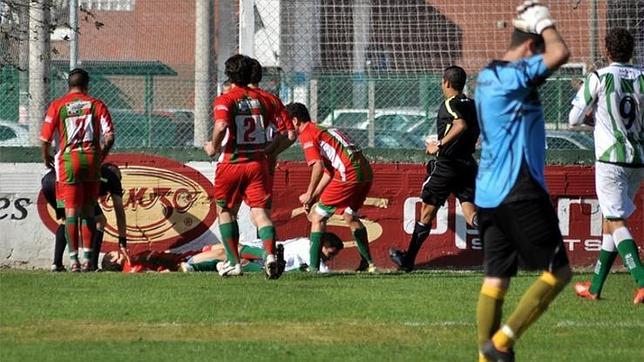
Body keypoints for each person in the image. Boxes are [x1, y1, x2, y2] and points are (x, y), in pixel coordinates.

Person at [474, 1, 572, 361]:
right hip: (519, 188)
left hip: (488, 194)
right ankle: (501, 343)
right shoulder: (513, 77)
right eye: (538, 51)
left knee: (496, 279)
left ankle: (484, 358)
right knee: (558, 272)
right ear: (531, 47)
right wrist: (545, 22)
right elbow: (561, 51)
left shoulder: (487, 75)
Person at [568, 28, 644, 304]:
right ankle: (595, 287)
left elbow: (574, 118)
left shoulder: (599, 76)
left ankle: (642, 280)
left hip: (610, 159)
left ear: (607, 51)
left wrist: (594, 118)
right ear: (631, 51)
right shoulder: (642, 77)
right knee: (611, 222)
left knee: (614, 220)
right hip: (637, 158)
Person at [388, 65, 479, 272]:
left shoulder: (449, 104)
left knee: (427, 211)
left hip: (447, 165)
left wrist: (438, 144)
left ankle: (408, 260)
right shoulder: (472, 104)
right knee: (471, 214)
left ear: (446, 83)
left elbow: (460, 125)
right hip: (467, 164)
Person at [204, 54, 284, 278]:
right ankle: (269, 256)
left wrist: (213, 146)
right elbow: (287, 131)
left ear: (229, 75)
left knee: (226, 211)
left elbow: (220, 125)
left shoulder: (226, 99)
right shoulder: (267, 99)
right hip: (257, 163)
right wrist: (271, 149)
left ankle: (234, 263)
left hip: (232, 161)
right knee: (260, 214)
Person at [285, 102, 376, 273]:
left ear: (295, 121)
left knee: (317, 217)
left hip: (349, 173)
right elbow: (329, 172)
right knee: (350, 215)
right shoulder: (323, 130)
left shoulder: (307, 134)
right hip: (365, 174)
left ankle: (313, 268)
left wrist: (308, 193)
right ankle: (368, 263)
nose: (285, 127)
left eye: (286, 122)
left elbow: (317, 166)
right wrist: (313, 196)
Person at [40, 68, 114, 272]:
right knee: (89, 210)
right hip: (91, 159)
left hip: (68, 161)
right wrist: (100, 157)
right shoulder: (96, 105)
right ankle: (88, 260)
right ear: (87, 85)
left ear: (69, 85)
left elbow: (45, 139)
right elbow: (109, 136)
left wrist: (45, 156)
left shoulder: (58, 105)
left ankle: (73, 261)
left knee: (71, 212)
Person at [41, 163, 128, 271]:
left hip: (50, 183)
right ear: (116, 173)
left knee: (66, 220)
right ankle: (92, 264)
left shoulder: (95, 170)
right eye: (120, 177)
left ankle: (56, 264)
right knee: (100, 220)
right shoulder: (112, 177)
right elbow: (119, 210)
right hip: (69, 185)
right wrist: (122, 240)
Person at [180, 232, 345, 274]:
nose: (329, 258)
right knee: (224, 250)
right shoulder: (307, 246)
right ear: (322, 244)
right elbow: (322, 271)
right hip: (263, 253)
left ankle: (189, 265)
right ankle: (186, 261)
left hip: (264, 260)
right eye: (330, 253)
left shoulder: (305, 245)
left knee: (227, 254)